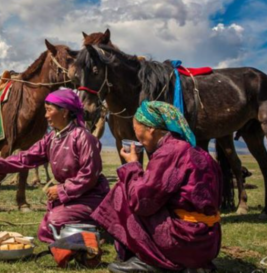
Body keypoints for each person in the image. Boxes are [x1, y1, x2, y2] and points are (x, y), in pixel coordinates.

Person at [92, 101, 221, 273]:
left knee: (122, 192)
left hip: (184, 242)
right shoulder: (197, 151)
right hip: (208, 243)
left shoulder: (169, 152)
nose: (138, 139)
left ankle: (149, 259)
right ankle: (191, 265)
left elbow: (142, 203)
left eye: (138, 132)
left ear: (151, 129)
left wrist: (132, 166)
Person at [0, 89, 109, 243]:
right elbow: (25, 158)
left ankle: (99, 227)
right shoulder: (52, 138)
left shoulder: (83, 137)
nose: (45, 115)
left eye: (49, 110)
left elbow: (89, 175)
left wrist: (62, 189)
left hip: (90, 197)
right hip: (71, 197)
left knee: (54, 223)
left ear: (64, 112)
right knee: (48, 226)